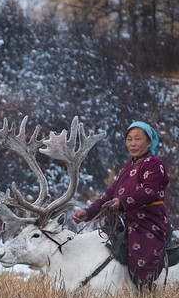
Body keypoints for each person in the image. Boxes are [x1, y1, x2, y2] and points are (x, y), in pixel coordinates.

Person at [71, 121, 170, 287]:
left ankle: (145, 292)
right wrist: (88, 213)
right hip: (123, 220)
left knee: (142, 259)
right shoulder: (127, 167)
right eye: (129, 139)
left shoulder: (154, 164)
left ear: (149, 141)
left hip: (146, 221)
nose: (132, 143)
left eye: (137, 139)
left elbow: (149, 192)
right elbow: (109, 195)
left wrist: (122, 202)